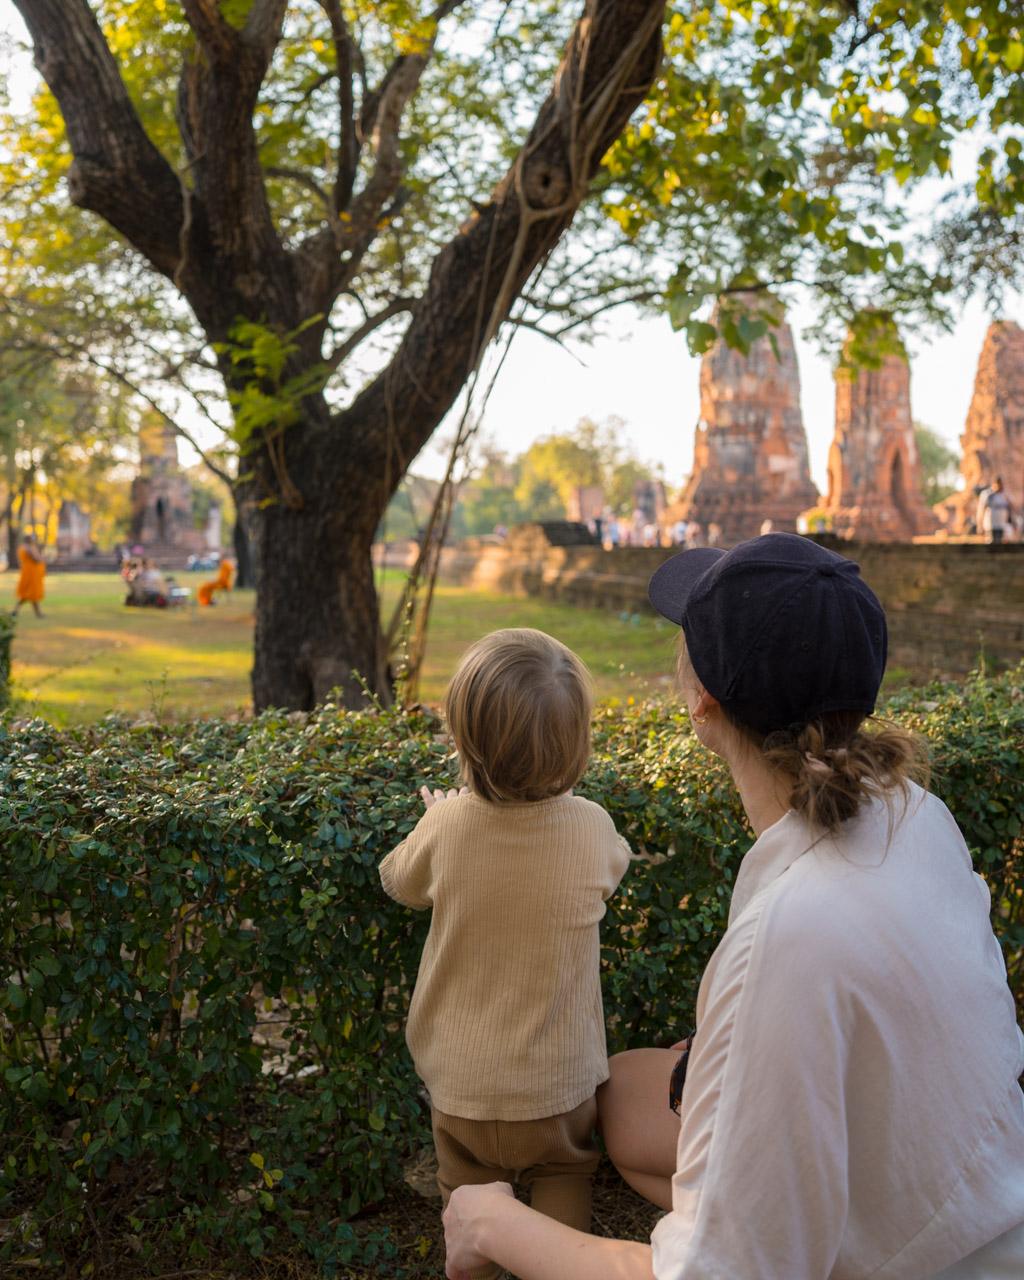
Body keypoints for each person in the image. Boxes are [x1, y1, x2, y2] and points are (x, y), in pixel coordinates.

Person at [442, 534, 1024, 1280]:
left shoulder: (792, 937)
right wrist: (728, 1052)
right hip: (977, 1188)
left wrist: (491, 1222)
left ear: (703, 705)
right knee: (625, 1093)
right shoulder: (911, 811)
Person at [380, 629, 631, 1280]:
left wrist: (437, 818)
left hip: (464, 1089)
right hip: (560, 1086)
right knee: (565, 1172)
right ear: (576, 744)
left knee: (468, 1196)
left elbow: (398, 882)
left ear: (463, 739)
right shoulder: (593, 827)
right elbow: (614, 869)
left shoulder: (447, 826)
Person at [13, 533, 46, 618]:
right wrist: (43, 558)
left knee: (26, 594)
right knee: (32, 593)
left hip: (27, 571)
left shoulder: (22, 547)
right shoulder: (28, 548)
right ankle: (38, 614)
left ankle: (15, 611)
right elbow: (36, 559)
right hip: (31, 573)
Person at [981, 477, 1015, 545]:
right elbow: (982, 509)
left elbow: (1011, 507)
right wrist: (980, 525)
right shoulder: (988, 494)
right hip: (991, 525)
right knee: (991, 542)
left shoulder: (1005, 495)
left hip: (1002, 524)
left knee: (1000, 543)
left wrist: (1012, 522)